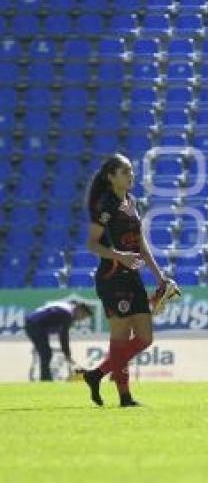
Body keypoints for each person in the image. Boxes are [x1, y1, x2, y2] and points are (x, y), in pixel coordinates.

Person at [81, 153, 180, 407]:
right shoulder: (105, 206)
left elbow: (141, 245)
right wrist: (118, 256)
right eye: (125, 171)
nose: (131, 175)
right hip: (112, 277)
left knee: (146, 337)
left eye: (131, 171)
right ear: (111, 177)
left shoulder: (132, 200)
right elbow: (92, 244)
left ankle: (97, 374)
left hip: (132, 277)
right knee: (121, 336)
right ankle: (125, 397)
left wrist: (160, 278)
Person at [24, 300, 93, 381]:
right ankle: (45, 379)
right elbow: (63, 336)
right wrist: (67, 355)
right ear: (79, 309)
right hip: (34, 324)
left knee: (46, 352)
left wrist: (67, 354)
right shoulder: (67, 314)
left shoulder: (66, 308)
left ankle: (46, 378)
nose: (81, 319)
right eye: (83, 316)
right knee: (46, 353)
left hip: (34, 323)